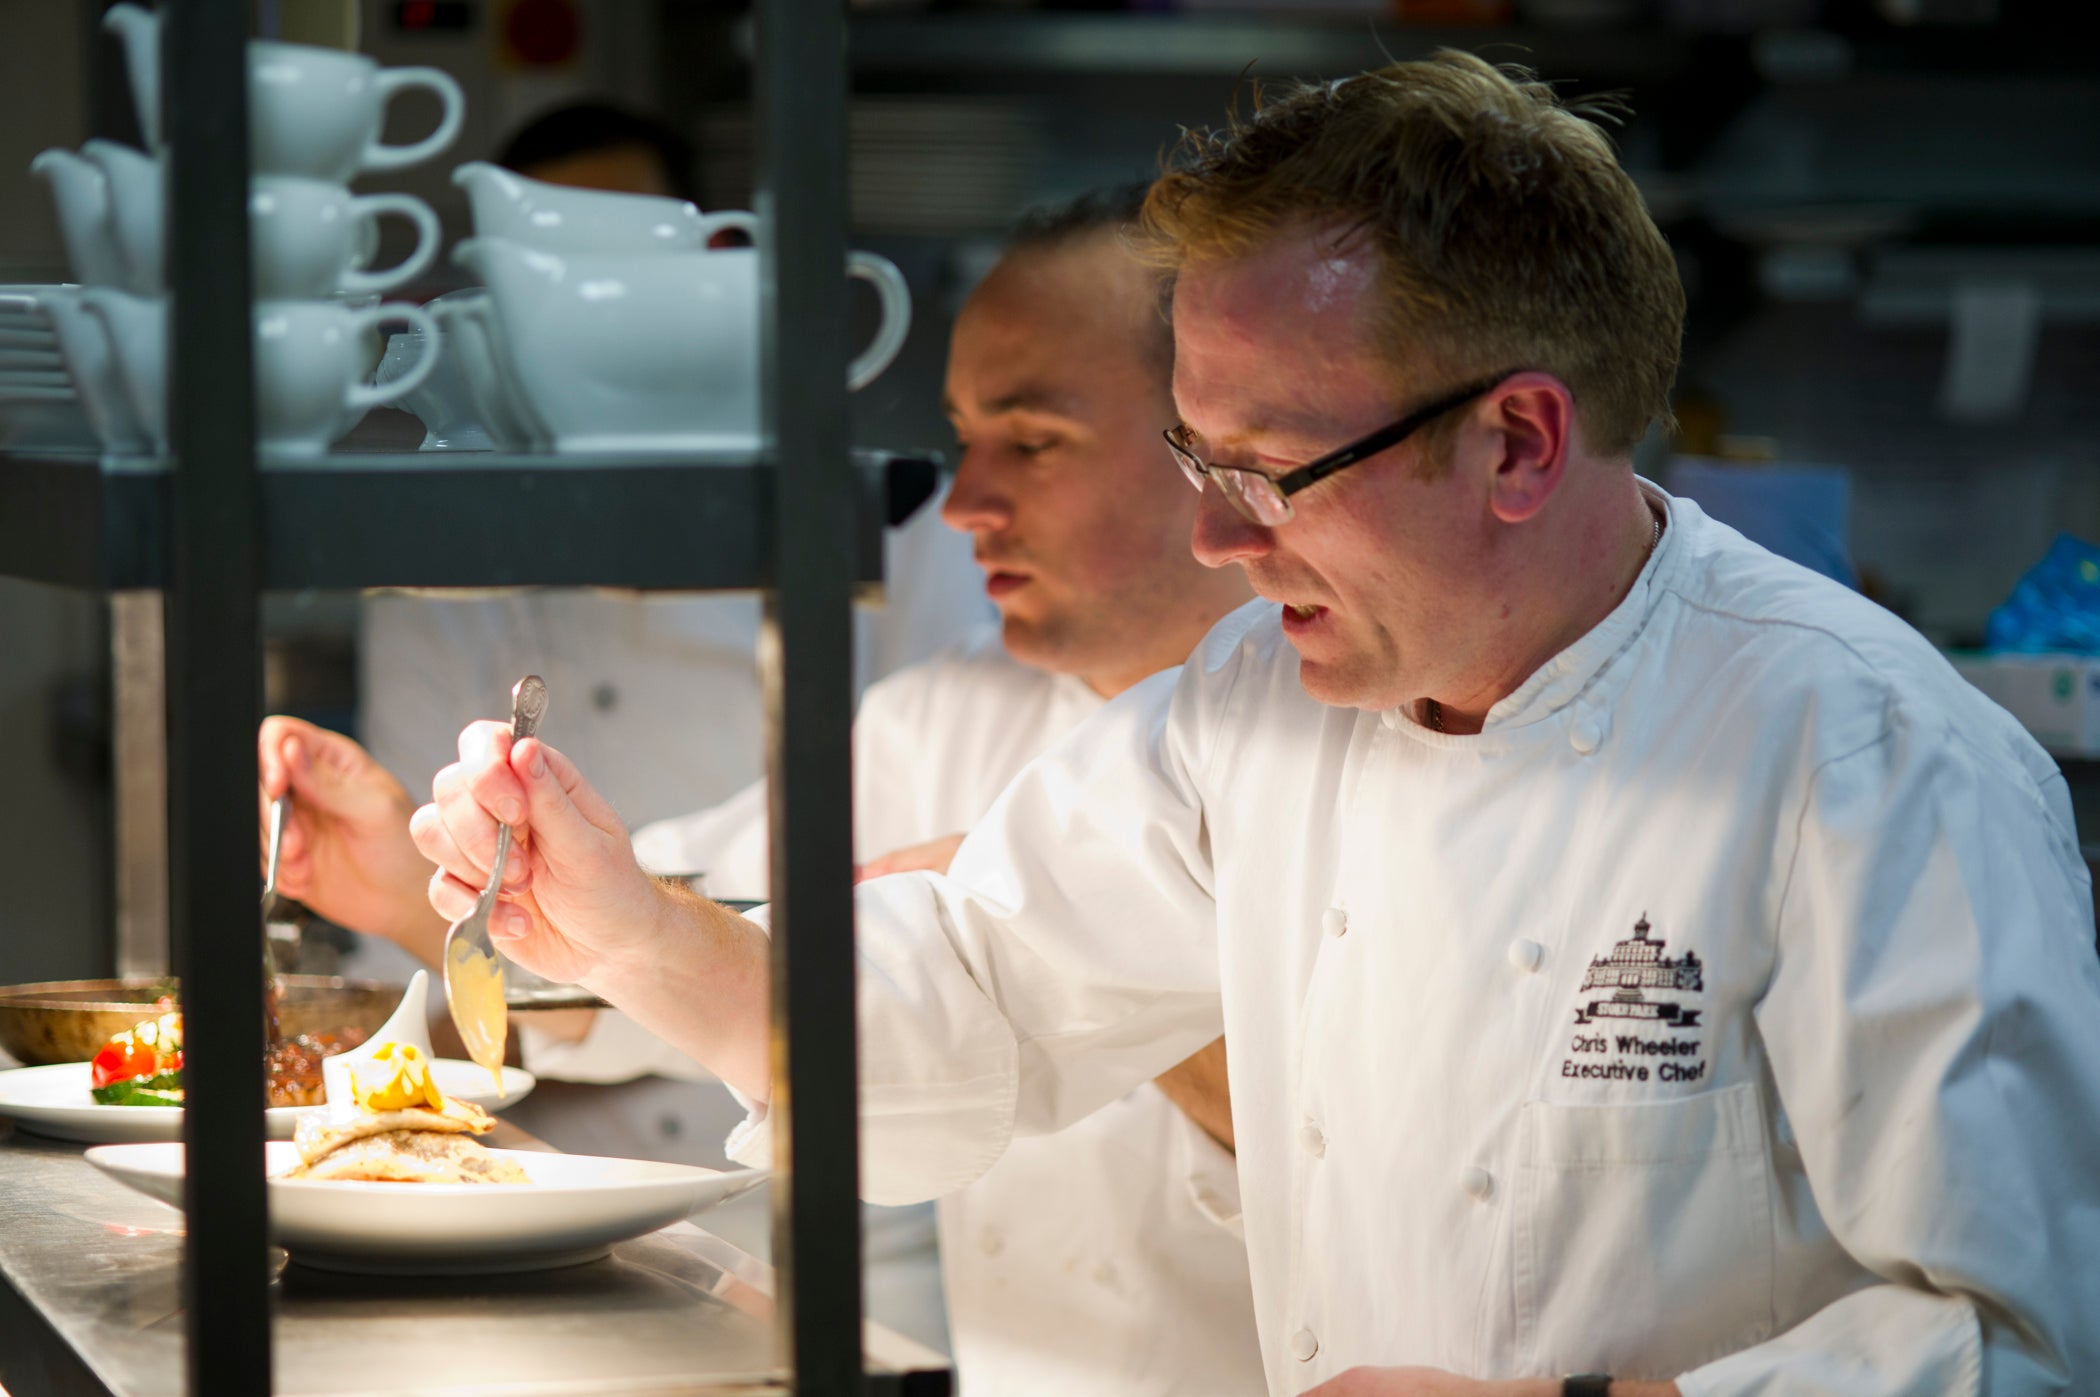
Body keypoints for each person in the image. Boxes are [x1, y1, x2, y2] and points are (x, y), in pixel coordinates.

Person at [412, 53, 2100, 1396]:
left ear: (1517, 441)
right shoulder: (1257, 704)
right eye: (1199, 462)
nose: (1218, 539)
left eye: (1271, 473)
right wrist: (628, 929)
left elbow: (2030, 1342)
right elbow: (980, 993)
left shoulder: (1870, 758)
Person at [263, 187, 1267, 1395]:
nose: (964, 503)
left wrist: (1038, 943)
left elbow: (1380, 1149)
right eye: (964, 439)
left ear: (1211, 437)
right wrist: (400, 876)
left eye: (1034, 441)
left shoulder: (1328, 720)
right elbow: (702, 929)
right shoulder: (942, 715)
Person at [357, 101, 981, 842]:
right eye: (546, 272)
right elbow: (418, 879)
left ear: (716, 257)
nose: (590, 302)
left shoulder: (900, 522)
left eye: (620, 259)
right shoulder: (442, 567)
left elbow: (957, 837)